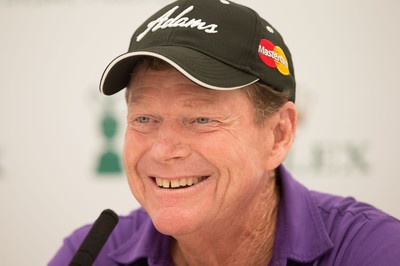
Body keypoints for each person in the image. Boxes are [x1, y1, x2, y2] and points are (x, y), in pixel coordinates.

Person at [49, 0, 400, 265]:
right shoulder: (90, 254)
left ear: (278, 135)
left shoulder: (373, 250)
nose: (163, 150)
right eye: (144, 118)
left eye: (201, 119)